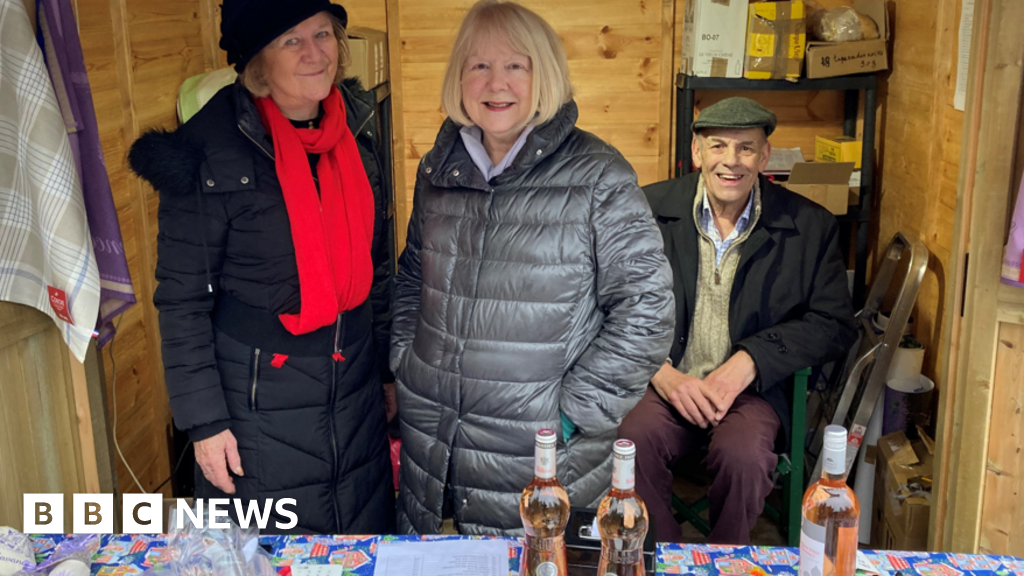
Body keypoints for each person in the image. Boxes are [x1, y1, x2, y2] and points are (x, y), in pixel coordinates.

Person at [389, 0, 675, 536]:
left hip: (541, 459)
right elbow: (411, 276)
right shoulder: (438, 169)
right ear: (459, 78)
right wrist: (407, 361)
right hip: (433, 444)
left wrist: (570, 414)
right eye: (479, 65)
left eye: (515, 65)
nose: (496, 83)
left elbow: (647, 310)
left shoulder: (598, 175)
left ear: (543, 75)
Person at [127, 0, 395, 534]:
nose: (315, 53)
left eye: (322, 34)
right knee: (272, 556)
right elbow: (182, 301)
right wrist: (205, 425)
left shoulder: (356, 129)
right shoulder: (208, 150)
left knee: (360, 551)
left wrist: (388, 372)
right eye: (291, 40)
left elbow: (378, 269)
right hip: (257, 414)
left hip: (356, 394)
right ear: (257, 63)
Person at [618, 97, 857, 544]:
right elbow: (611, 303)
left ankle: (725, 559)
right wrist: (661, 373)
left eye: (746, 147)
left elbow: (833, 323)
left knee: (744, 456)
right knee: (631, 442)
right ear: (697, 152)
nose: (731, 161)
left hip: (752, 393)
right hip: (665, 381)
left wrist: (750, 361)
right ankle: (662, 558)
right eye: (718, 146)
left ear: (765, 156)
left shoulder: (810, 226)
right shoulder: (644, 211)